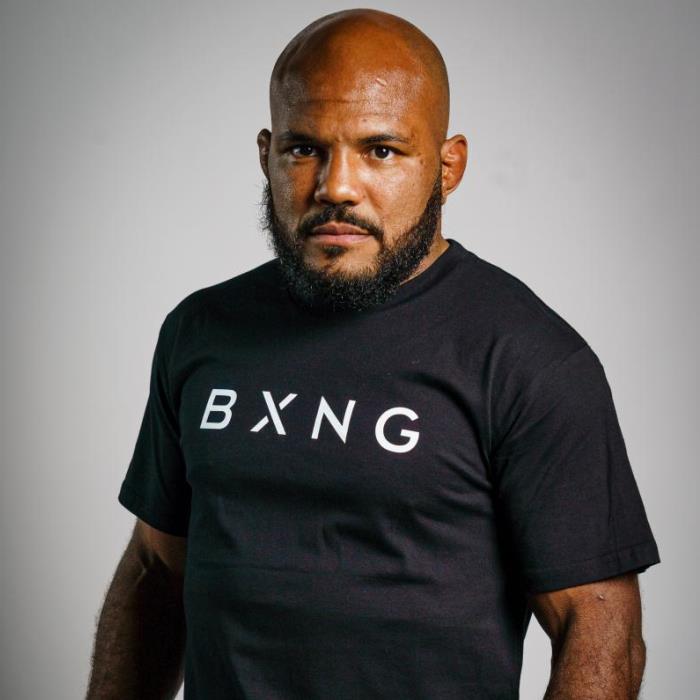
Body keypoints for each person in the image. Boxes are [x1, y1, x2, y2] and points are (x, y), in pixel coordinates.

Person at [86, 8, 661, 699]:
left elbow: (597, 627)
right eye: (304, 149)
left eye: (381, 151)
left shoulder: (529, 360)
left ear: (448, 166)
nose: (336, 187)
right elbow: (156, 570)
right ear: (266, 154)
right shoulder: (201, 330)